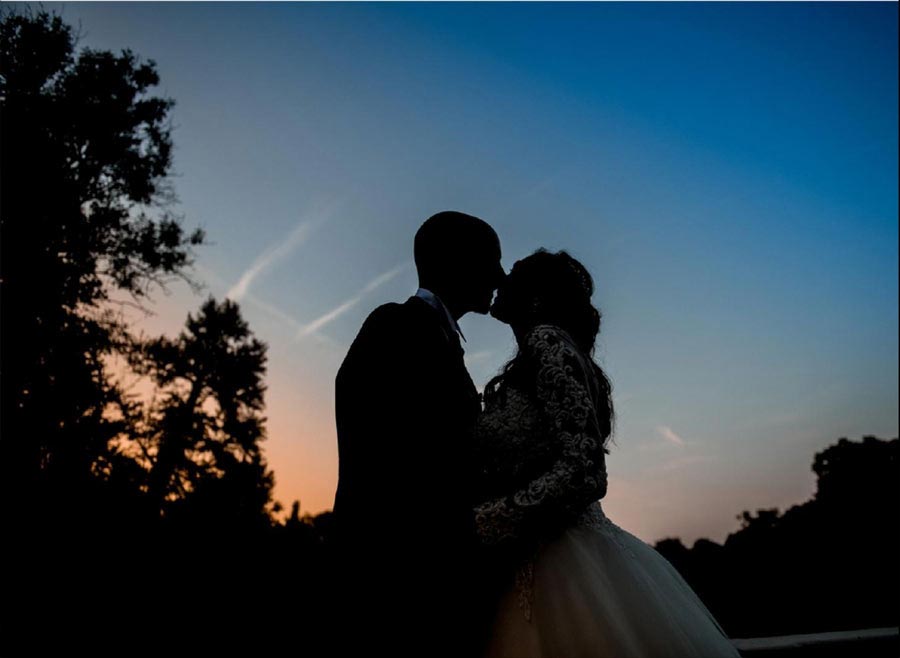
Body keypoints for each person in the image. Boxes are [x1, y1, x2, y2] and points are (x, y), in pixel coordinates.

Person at [474, 249, 741, 658]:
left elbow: (586, 471)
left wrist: (497, 515)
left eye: (513, 275)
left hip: (564, 563)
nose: (500, 280)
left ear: (536, 297)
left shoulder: (547, 343)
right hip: (538, 557)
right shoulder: (540, 355)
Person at [331, 210, 506, 656]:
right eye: (492, 260)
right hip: (395, 570)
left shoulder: (438, 336)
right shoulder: (394, 325)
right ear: (456, 261)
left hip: (427, 568)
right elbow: (391, 448)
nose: (501, 275)